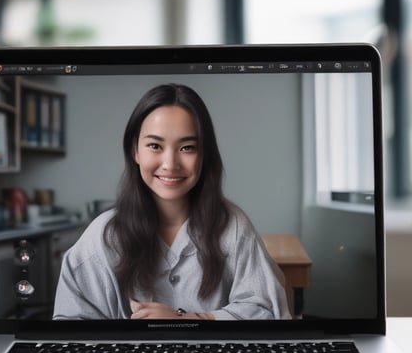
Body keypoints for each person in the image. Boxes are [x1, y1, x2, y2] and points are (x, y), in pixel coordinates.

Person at [53, 82, 290, 321]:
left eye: (187, 147)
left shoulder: (233, 225)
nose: (170, 164)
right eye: (155, 146)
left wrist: (188, 319)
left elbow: (267, 311)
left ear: (204, 154)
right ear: (135, 150)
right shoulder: (103, 236)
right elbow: (69, 328)